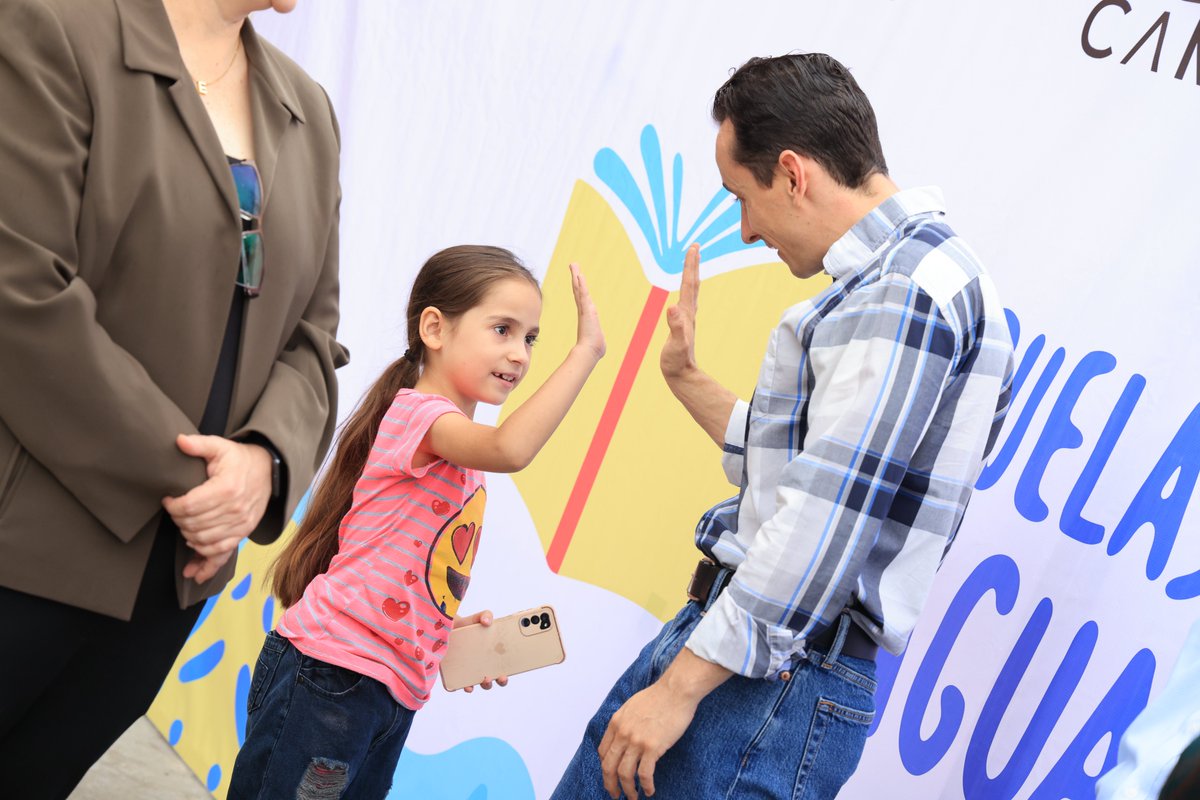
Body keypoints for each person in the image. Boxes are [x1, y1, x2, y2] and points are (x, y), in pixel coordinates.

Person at [553, 53, 1015, 799]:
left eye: (742, 195)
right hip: (750, 663)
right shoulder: (907, 281)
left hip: (764, 681)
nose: (743, 228)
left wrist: (679, 691)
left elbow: (824, 519)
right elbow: (809, 470)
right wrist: (684, 378)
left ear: (794, 174)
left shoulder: (906, 291)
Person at [0, 1, 347, 797]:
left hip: (170, 582)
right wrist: (199, 483)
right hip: (26, 546)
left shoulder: (308, 111)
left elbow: (316, 336)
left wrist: (263, 464)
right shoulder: (54, 26)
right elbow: (20, 287)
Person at [227, 245, 606, 799]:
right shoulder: (421, 416)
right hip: (330, 679)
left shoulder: (463, 460)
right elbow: (511, 446)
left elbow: (401, 568)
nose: (520, 354)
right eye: (502, 329)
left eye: (529, 338)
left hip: (389, 695)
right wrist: (586, 352)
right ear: (434, 327)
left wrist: (439, 631)